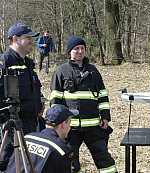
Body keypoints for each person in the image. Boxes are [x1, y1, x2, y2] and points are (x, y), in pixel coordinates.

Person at [50, 36, 117, 173]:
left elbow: (103, 96)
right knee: (70, 164)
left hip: (94, 127)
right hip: (70, 129)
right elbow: (55, 100)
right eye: (76, 49)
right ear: (70, 51)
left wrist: (105, 117)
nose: (80, 51)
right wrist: (57, 124)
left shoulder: (93, 71)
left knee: (105, 161)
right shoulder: (60, 72)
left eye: (82, 48)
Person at [0, 23, 42, 171]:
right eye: (28, 38)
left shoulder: (29, 64)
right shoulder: (4, 62)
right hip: (11, 127)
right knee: (7, 162)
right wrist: (5, 120)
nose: (32, 41)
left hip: (32, 124)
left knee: (29, 163)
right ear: (16, 39)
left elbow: (35, 89)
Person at [5, 104, 77, 173]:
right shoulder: (62, 151)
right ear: (63, 124)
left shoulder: (26, 138)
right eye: (69, 123)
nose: (70, 127)